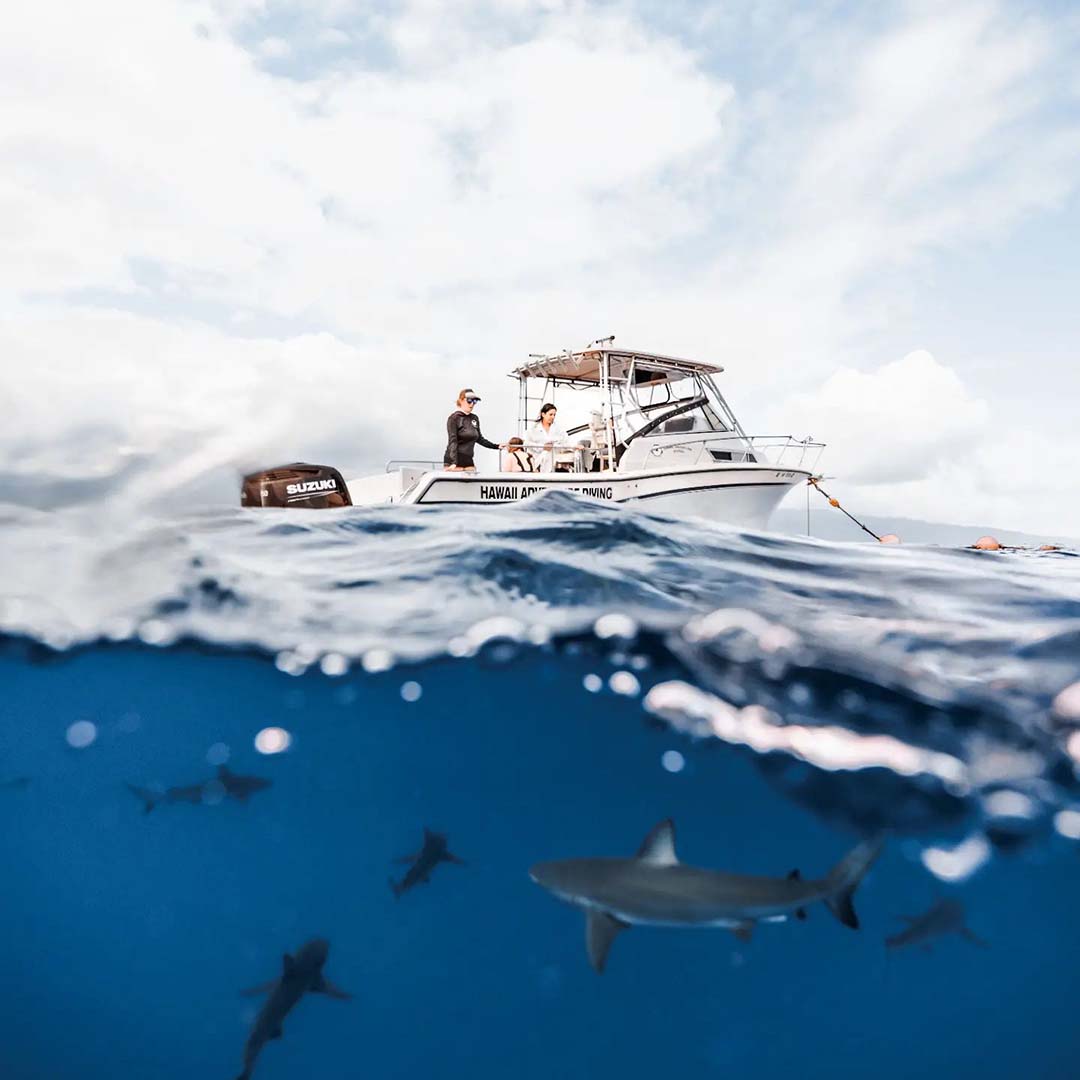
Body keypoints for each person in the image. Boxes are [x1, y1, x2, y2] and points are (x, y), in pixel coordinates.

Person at [444, 389, 503, 470]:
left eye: (474, 401)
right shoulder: (454, 418)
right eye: (469, 401)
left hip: (468, 458)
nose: (472, 404)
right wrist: (454, 462)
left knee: (472, 479)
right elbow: (453, 441)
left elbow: (479, 439)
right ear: (461, 401)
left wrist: (496, 446)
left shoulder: (474, 418)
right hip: (454, 458)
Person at [526, 403, 569, 473]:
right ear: (543, 414)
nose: (553, 417)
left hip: (554, 463)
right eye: (550, 414)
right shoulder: (533, 429)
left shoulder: (558, 429)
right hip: (537, 462)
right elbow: (527, 443)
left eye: (554, 415)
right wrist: (543, 447)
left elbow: (566, 442)